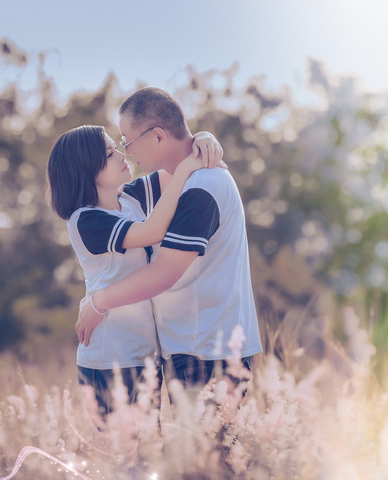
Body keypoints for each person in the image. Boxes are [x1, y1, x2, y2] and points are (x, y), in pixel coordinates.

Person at [77, 87, 262, 396]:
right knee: (193, 446)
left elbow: (166, 271)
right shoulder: (180, 181)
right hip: (194, 345)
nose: (127, 151)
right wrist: (202, 140)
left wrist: (99, 302)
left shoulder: (202, 188)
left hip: (208, 350)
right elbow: (123, 198)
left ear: (158, 136)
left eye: (128, 140)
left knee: (206, 445)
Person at [46, 125, 223, 419]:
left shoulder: (130, 198)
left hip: (144, 353)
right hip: (109, 355)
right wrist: (186, 168)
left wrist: (204, 138)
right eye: (109, 153)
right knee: (125, 457)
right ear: (86, 169)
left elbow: (179, 161)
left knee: (148, 452)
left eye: (116, 147)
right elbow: (152, 231)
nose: (121, 154)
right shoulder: (86, 221)